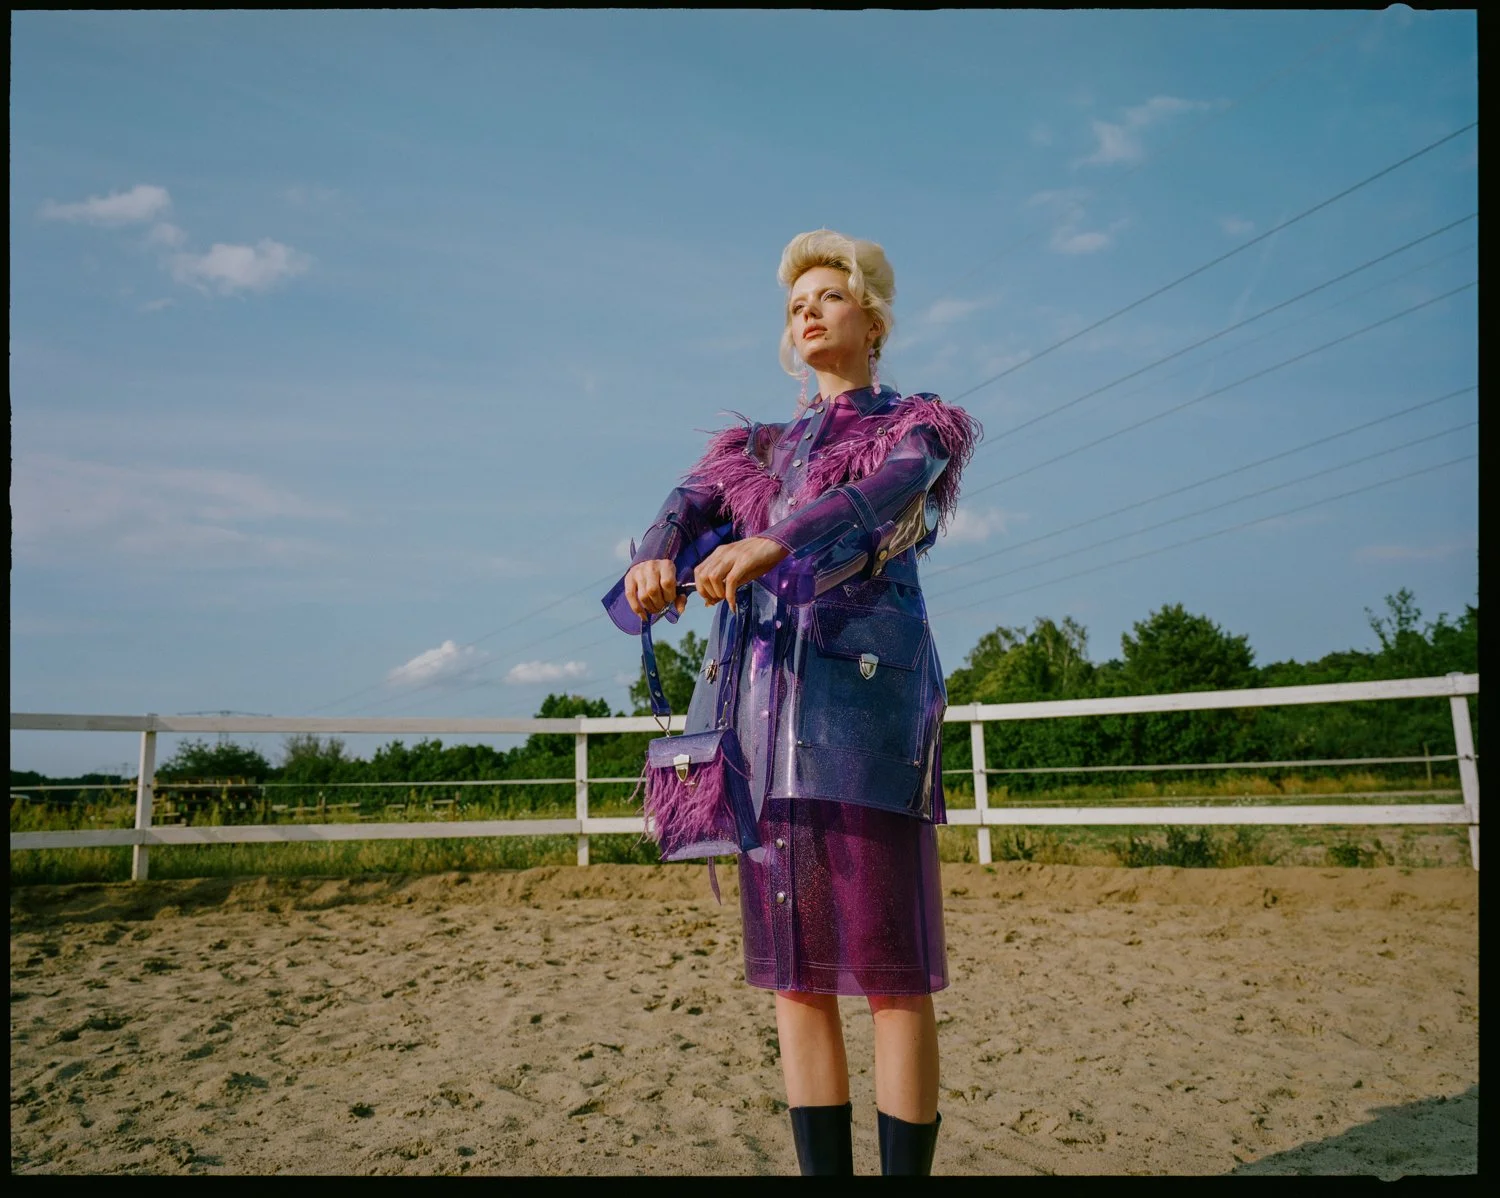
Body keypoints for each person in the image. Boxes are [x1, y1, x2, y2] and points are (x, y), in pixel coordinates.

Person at [602, 229, 980, 1176]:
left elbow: (885, 498)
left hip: (864, 719)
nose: (806, 312)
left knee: (892, 975)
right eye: (794, 304)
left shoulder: (915, 427)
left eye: (828, 296)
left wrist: (773, 543)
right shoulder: (756, 448)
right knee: (795, 978)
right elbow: (684, 506)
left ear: (874, 320)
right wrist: (656, 552)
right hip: (759, 721)